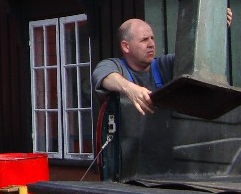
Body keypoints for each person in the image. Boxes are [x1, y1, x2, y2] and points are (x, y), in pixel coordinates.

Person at [93, 9, 233, 116]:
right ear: (126, 46)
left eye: (152, 38)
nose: (151, 44)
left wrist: (216, 29)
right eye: (144, 40)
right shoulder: (114, 66)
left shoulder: (165, 65)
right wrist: (130, 89)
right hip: (127, 151)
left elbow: (195, 57)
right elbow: (103, 75)